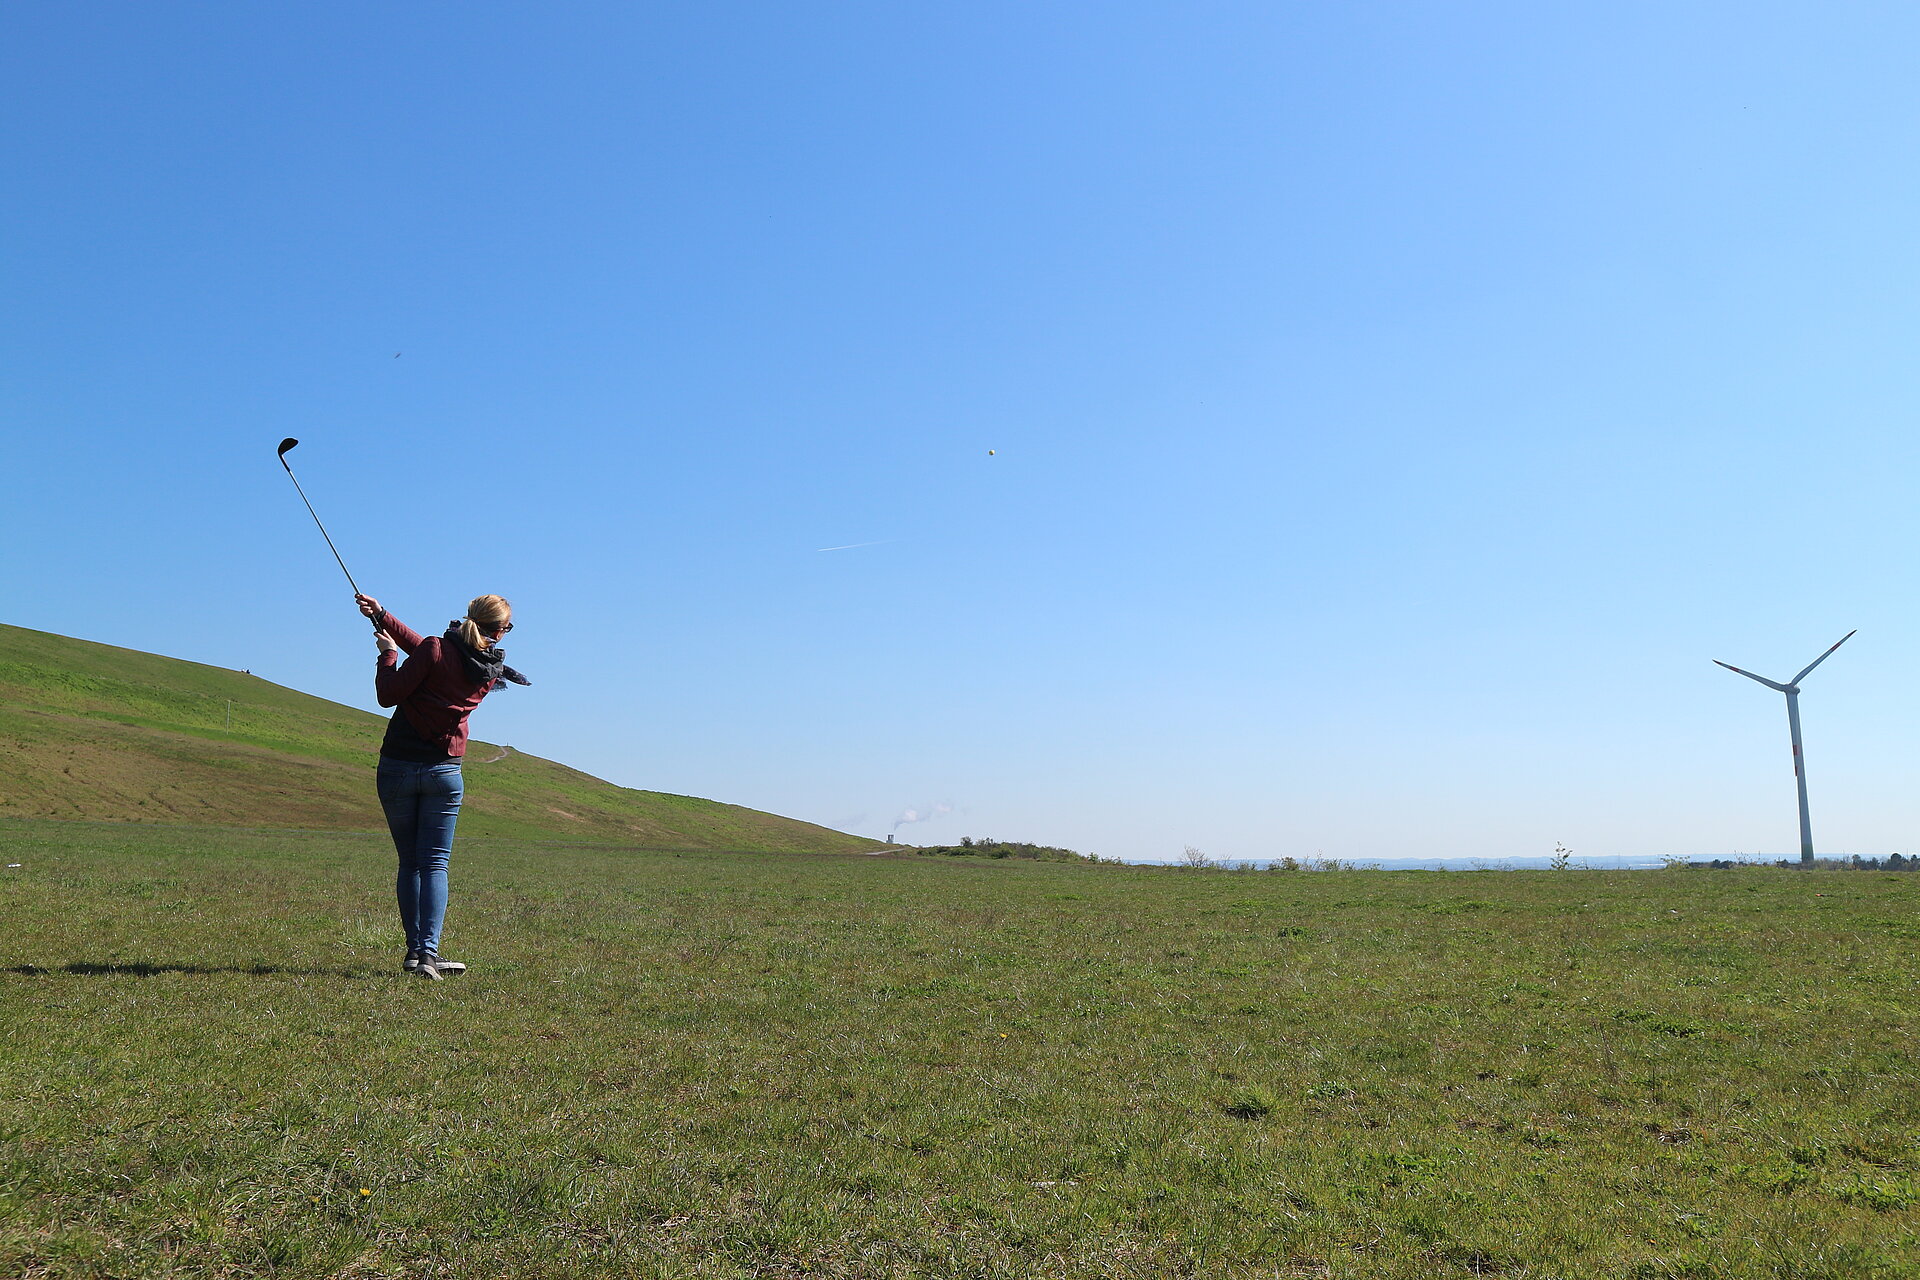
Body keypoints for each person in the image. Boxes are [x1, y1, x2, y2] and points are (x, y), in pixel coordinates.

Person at [354, 592, 530, 979]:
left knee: (410, 863)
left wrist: (387, 654)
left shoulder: (438, 648)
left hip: (397, 767)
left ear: (468, 615)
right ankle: (427, 956)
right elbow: (431, 652)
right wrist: (383, 615)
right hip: (444, 774)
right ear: (499, 632)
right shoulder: (488, 669)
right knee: (434, 864)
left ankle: (414, 953)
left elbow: (389, 693)